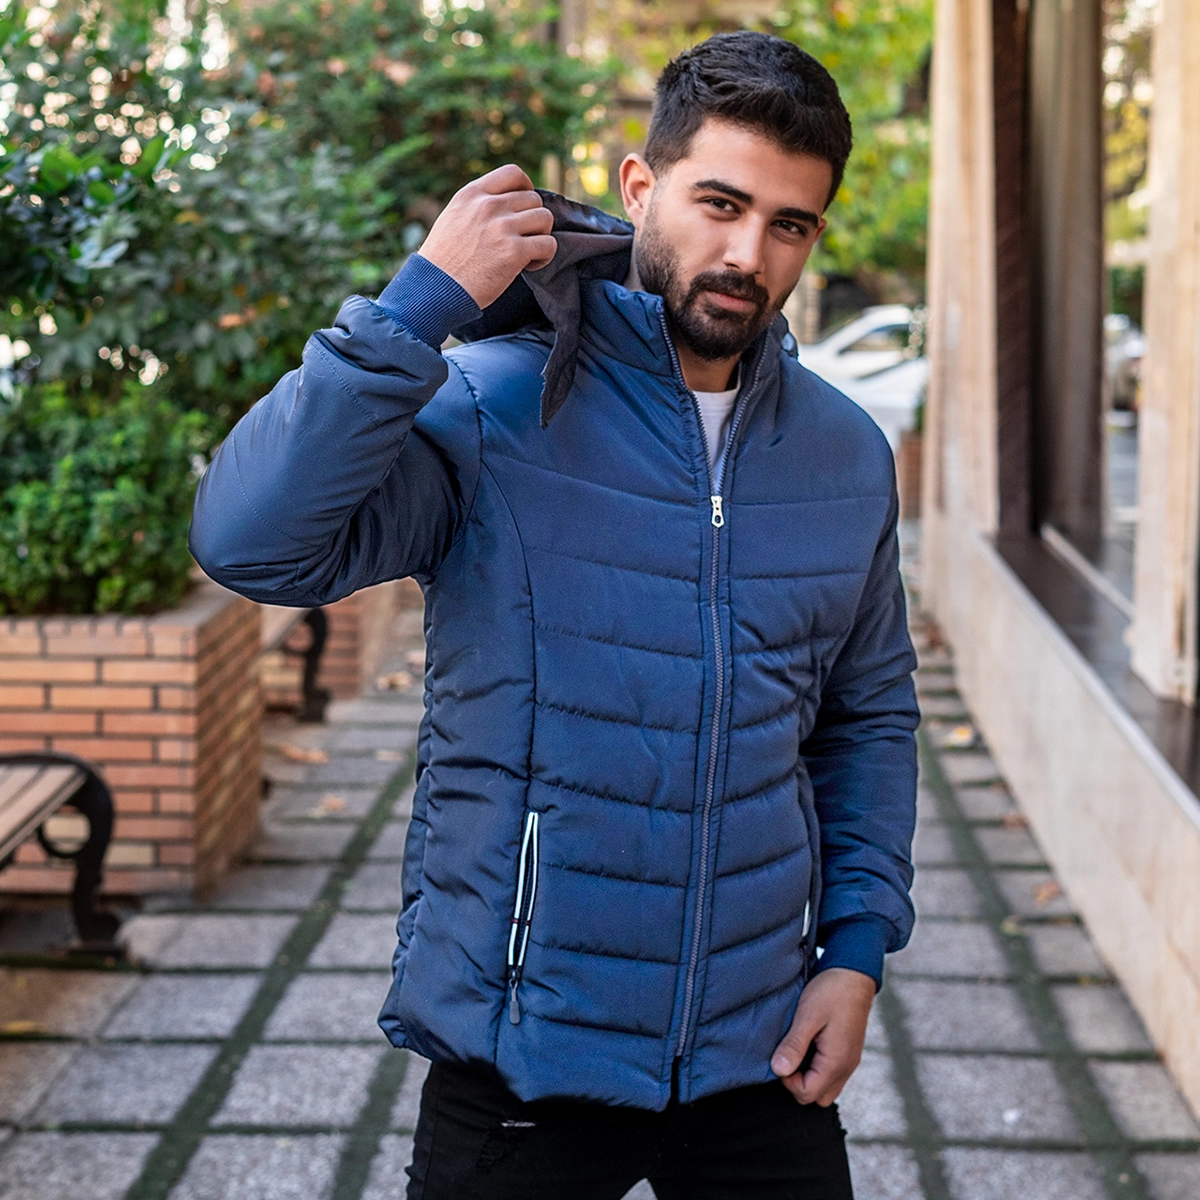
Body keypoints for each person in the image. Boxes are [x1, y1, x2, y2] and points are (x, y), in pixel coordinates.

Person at [190, 30, 918, 1200]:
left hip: (758, 1045)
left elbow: (866, 716)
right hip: (524, 1047)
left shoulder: (843, 455)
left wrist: (856, 952)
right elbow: (248, 542)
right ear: (640, 187)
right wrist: (416, 308)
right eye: (720, 204)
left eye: (791, 224)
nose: (749, 254)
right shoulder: (496, 409)